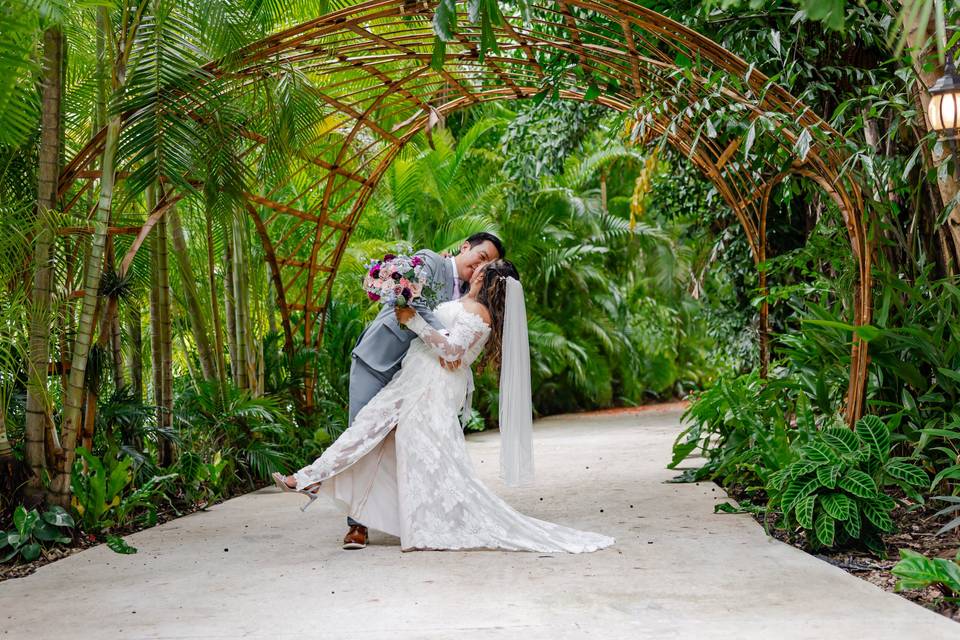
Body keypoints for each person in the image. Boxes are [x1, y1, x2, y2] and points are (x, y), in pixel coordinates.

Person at [272, 260, 615, 553]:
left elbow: (451, 351)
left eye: (480, 269)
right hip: (416, 378)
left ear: (485, 280)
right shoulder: (467, 304)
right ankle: (311, 479)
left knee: (392, 439)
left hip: (429, 387)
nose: (474, 271)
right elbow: (451, 348)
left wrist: (414, 320)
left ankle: (309, 480)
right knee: (375, 432)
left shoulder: (479, 314)